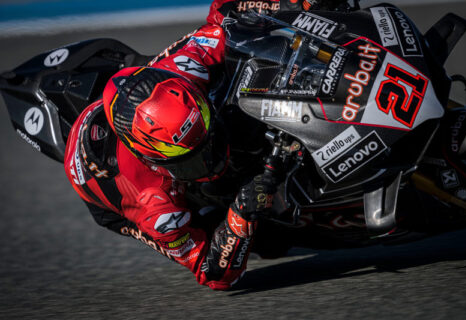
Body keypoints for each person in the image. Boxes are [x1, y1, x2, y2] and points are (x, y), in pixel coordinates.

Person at [64, 0, 348, 290]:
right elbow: (212, 274)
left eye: (209, 141)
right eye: (193, 159)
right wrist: (239, 214)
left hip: (154, 110)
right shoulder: (155, 206)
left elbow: (223, 16)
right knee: (269, 240)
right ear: (153, 160)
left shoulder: (186, 66)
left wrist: (286, 5)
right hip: (118, 196)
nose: (214, 156)